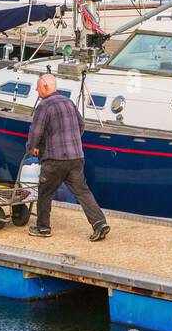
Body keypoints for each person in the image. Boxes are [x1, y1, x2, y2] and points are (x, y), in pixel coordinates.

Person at [24, 73, 109, 241]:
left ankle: (43, 228)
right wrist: (73, 142)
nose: (35, 89)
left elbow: (36, 132)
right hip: (76, 157)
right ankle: (99, 223)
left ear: (46, 87)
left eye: (38, 86)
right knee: (82, 191)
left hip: (55, 158)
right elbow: (81, 125)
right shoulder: (68, 102)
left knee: (45, 192)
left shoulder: (44, 106)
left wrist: (31, 148)